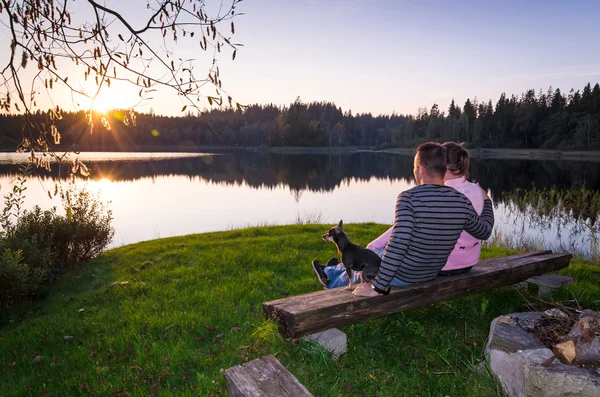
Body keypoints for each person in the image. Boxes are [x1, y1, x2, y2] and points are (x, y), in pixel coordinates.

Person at [312, 142, 494, 297]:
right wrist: (488, 204)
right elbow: (484, 231)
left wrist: (378, 287)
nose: (414, 171)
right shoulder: (461, 200)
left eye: (414, 167)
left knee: (372, 258)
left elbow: (398, 245)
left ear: (421, 170)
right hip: (430, 273)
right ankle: (337, 272)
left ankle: (332, 279)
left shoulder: (408, 198)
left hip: (405, 275)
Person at [438, 142, 484, 276]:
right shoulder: (477, 189)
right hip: (470, 261)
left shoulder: (443, 192)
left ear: (443, 165)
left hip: (446, 264)